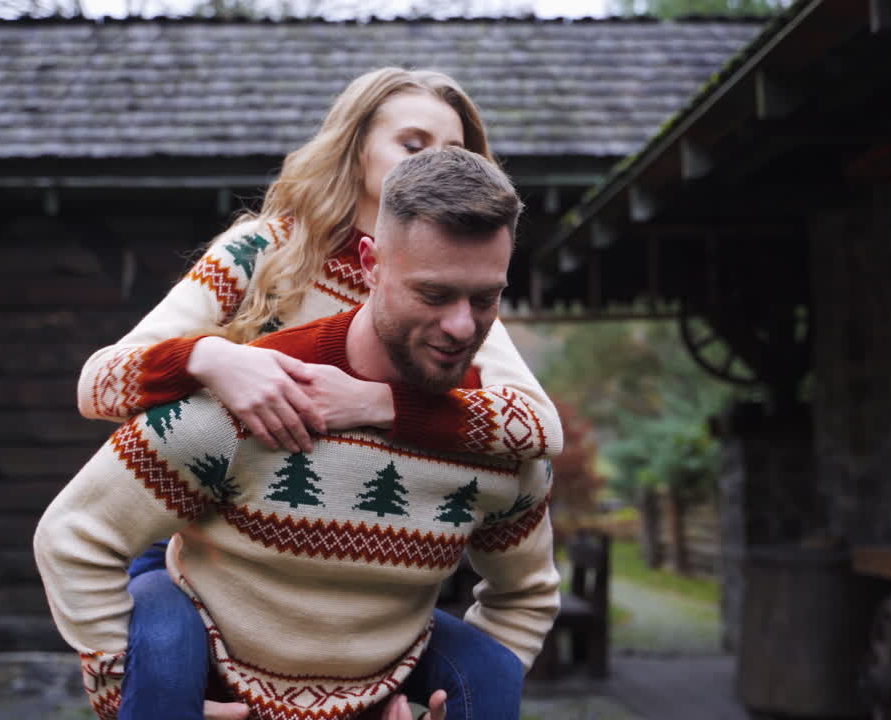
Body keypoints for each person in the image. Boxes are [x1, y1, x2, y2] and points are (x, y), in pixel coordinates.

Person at [74, 68, 565, 720]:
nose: (434, 165)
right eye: (413, 144)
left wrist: (377, 405)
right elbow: (100, 382)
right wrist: (213, 357)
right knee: (162, 658)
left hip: (355, 568)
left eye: (456, 153)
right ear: (355, 147)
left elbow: (537, 427)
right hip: (209, 532)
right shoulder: (265, 250)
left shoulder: (452, 296)